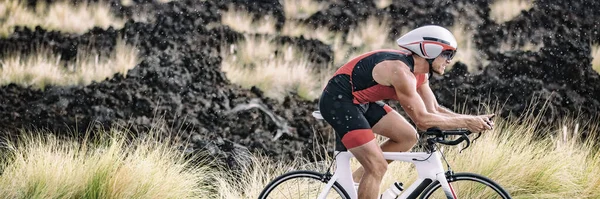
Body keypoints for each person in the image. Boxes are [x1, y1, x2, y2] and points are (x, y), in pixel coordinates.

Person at [318, 25, 495, 199]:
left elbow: (434, 110)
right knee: (377, 166)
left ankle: (357, 181)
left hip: (361, 102)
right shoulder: (400, 72)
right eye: (447, 54)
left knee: (408, 137)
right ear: (430, 51)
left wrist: (472, 119)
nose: (450, 60)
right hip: (338, 102)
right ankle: (368, 176)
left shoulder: (422, 74)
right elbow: (423, 120)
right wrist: (467, 123)